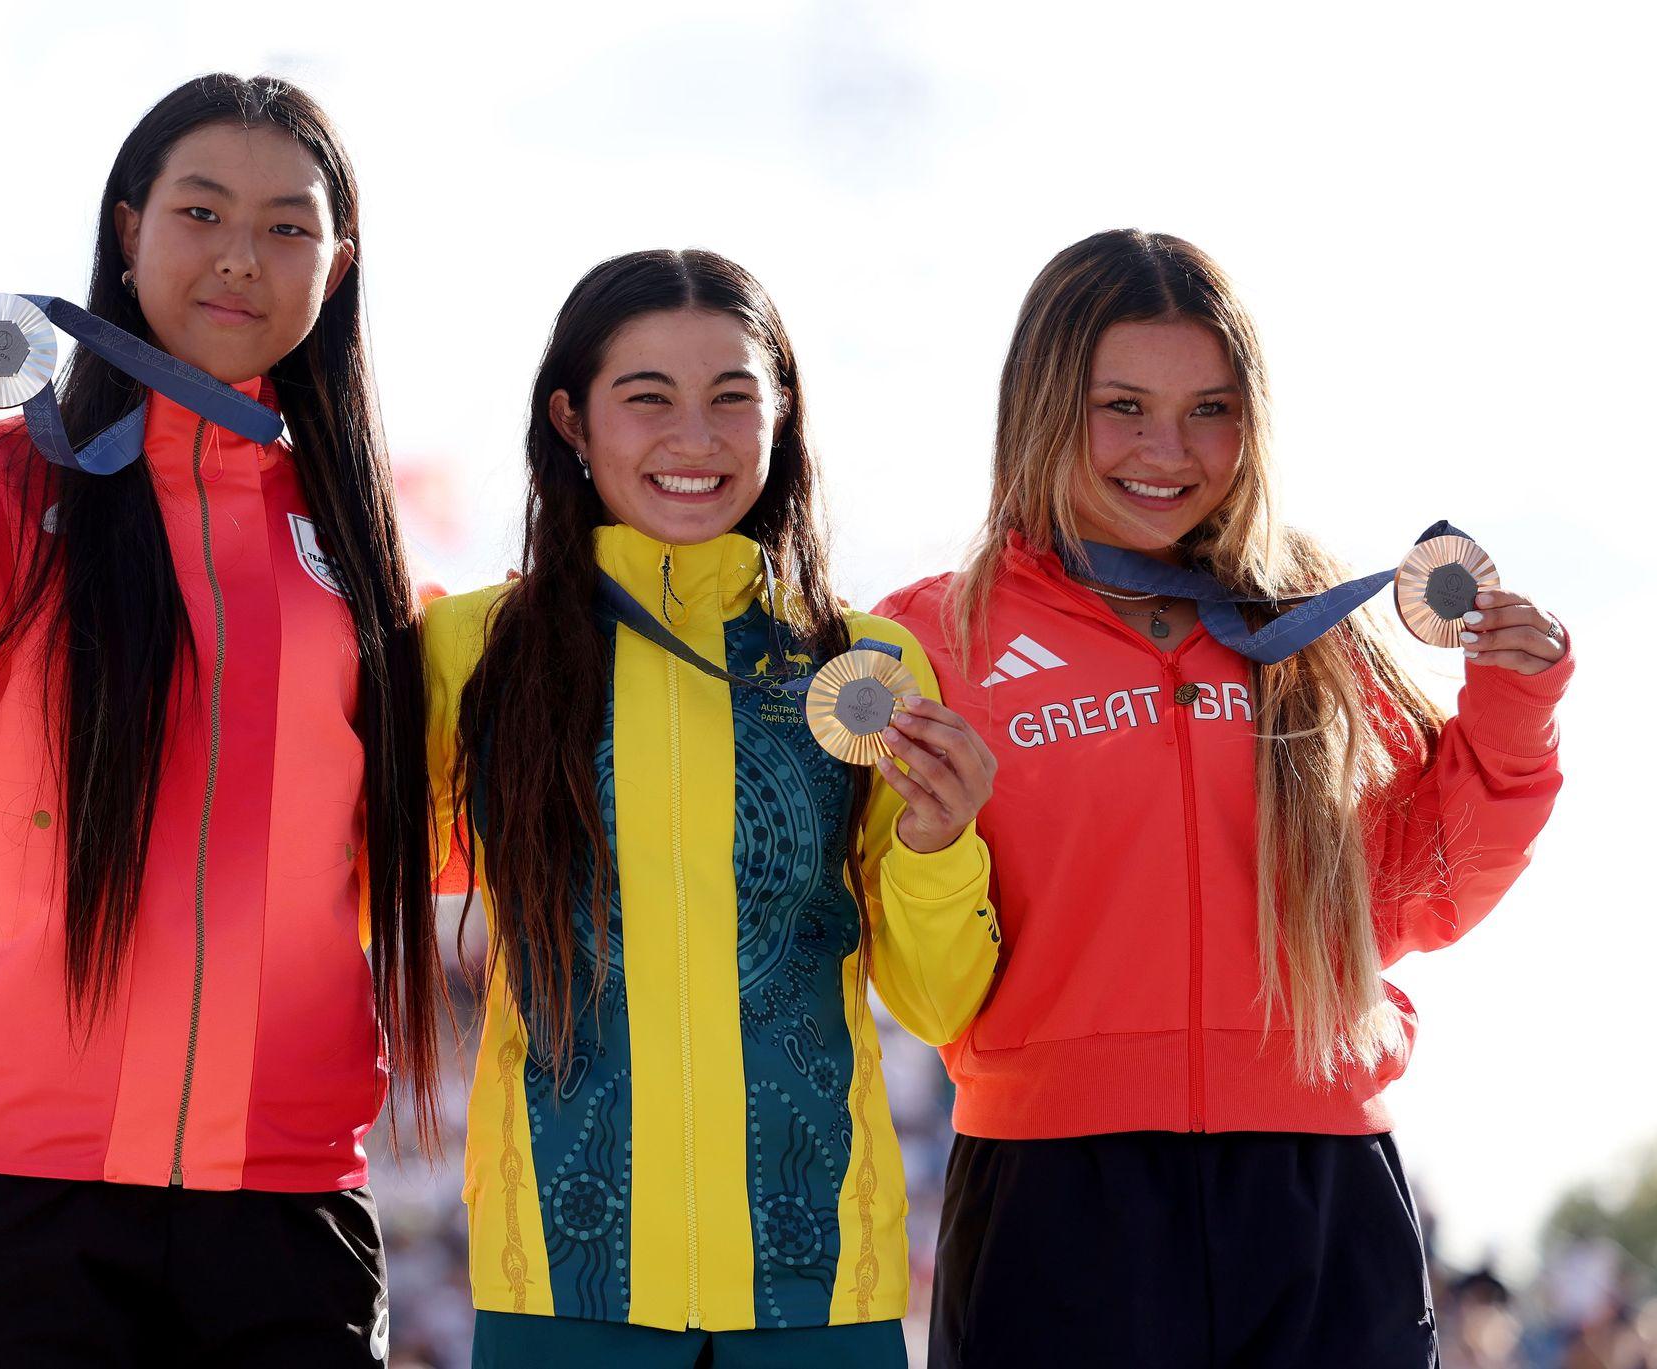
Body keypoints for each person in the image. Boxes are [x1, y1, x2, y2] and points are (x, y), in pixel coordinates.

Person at [0, 73, 440, 1367]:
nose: (240, 257)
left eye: (287, 226)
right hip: (11, 1191)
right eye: (201, 211)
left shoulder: (364, 550)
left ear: (341, 261)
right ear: (129, 226)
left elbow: (443, 844)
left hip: (285, 1191)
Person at [876, 228, 1572, 1368]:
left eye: (1209, 407)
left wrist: (1513, 702)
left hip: (1316, 1180)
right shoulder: (933, 637)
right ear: (1043, 405)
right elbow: (918, 970)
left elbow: (1417, 896)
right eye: (1122, 406)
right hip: (1055, 1185)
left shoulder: (1309, 625)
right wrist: (926, 843)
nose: (1168, 449)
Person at [425, 249, 1002, 1367]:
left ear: (779, 416)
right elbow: (348, 881)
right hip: (558, 1278)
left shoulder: (864, 665)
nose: (694, 440)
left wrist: (939, 842)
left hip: (818, 1282)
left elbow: (936, 1006)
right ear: (570, 420)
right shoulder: (471, 652)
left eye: (732, 398)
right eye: (647, 399)